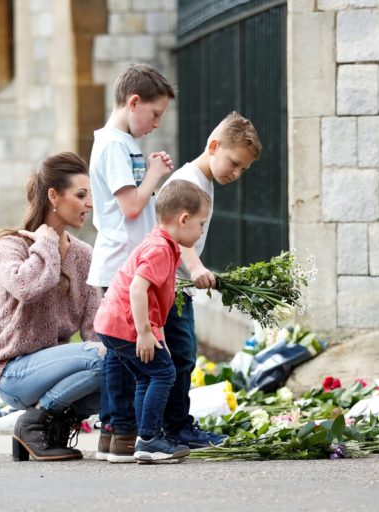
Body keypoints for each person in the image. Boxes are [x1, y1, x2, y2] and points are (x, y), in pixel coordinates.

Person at [85, 64, 177, 462]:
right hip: (122, 263)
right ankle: (121, 431)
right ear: (133, 102)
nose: (156, 123)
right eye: (154, 114)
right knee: (123, 358)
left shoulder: (123, 144)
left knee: (123, 358)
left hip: (128, 262)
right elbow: (131, 205)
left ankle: (118, 433)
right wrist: (155, 174)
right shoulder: (112, 146)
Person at [0, 152, 102, 462]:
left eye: (89, 195)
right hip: (13, 372)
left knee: (120, 366)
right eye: (81, 195)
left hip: (53, 371)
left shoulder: (84, 255)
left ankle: (49, 429)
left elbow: (94, 330)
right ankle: (34, 423)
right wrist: (47, 242)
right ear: (54, 196)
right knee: (104, 359)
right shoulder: (10, 245)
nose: (89, 204)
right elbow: (28, 288)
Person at [159, 112, 262, 448]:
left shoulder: (203, 181)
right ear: (214, 146)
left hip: (178, 284)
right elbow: (176, 236)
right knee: (182, 355)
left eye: (243, 170)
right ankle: (173, 427)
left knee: (181, 354)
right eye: (234, 163)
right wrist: (197, 267)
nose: (236, 173)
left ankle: (172, 424)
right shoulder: (188, 182)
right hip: (171, 284)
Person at [94, 180, 211, 463]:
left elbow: (156, 301)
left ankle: (146, 437)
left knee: (149, 374)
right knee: (164, 374)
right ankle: (149, 440)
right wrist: (145, 333)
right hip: (124, 325)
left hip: (112, 324)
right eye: (200, 224)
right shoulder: (160, 249)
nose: (201, 231)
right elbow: (137, 289)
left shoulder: (163, 243)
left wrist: (158, 336)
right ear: (183, 219)